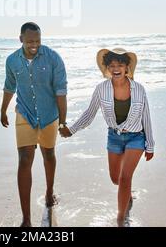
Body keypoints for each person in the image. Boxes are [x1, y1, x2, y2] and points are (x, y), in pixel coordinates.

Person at [59, 47, 155, 227]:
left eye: (120, 64)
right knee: (115, 179)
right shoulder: (101, 89)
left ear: (127, 67)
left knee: (125, 178)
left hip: (136, 137)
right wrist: (72, 129)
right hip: (114, 137)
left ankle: (121, 218)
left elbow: (146, 117)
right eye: (112, 65)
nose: (116, 68)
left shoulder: (139, 89)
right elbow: (89, 114)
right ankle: (127, 195)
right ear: (107, 68)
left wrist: (150, 145)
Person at [0, 22, 68, 227]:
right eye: (30, 41)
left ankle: (49, 192)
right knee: (24, 159)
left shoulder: (53, 57)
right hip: (25, 114)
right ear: (21, 39)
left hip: (49, 114)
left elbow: (61, 91)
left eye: (37, 40)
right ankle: (26, 219)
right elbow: (9, 86)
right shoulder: (12, 60)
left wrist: (63, 121)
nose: (34, 45)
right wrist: (3, 109)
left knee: (48, 154)